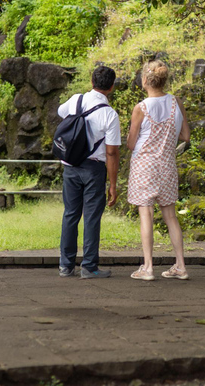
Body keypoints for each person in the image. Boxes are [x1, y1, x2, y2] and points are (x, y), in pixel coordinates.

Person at [127, 60, 190, 281]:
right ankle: (180, 266)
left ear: (145, 80)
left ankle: (148, 267)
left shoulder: (141, 108)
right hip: (167, 164)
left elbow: (131, 143)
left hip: (145, 165)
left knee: (146, 214)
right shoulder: (176, 102)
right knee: (171, 216)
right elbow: (185, 136)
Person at [57, 65, 121, 279]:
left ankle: (65, 266)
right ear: (111, 87)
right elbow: (111, 153)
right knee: (92, 217)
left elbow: (60, 113)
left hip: (70, 166)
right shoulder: (110, 115)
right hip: (94, 169)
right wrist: (112, 184)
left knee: (70, 214)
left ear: (92, 82)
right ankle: (89, 267)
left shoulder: (76, 100)